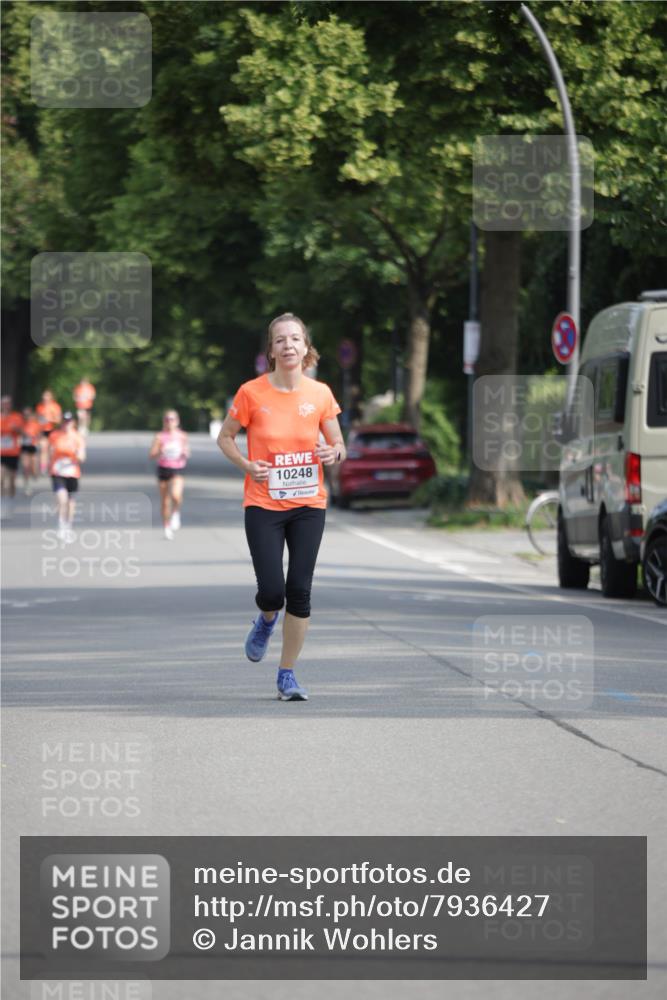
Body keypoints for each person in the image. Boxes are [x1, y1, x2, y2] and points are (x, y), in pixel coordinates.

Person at [218, 312, 346, 702]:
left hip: (309, 504)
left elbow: (339, 444)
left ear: (306, 348)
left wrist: (332, 452)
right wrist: (246, 465)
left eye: (295, 339)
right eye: (280, 340)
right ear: (271, 351)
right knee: (273, 591)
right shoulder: (251, 393)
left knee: (301, 591)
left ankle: (287, 674)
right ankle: (266, 618)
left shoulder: (320, 394)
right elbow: (225, 438)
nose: (288, 345)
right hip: (263, 504)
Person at [149, 410, 190, 540]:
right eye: (167, 419)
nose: (169, 422)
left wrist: (184, 452)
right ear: (164, 421)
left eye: (172, 419)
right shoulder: (159, 436)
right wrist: (160, 451)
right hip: (163, 468)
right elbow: (151, 455)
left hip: (178, 468)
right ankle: (166, 526)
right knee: (165, 501)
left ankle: (176, 513)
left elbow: (187, 452)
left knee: (176, 496)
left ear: (177, 421)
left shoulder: (182, 436)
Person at [48, 411, 86, 541]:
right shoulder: (54, 435)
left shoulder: (77, 437)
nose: (66, 424)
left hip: (72, 472)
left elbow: (82, 456)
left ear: (73, 423)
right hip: (58, 472)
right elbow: (49, 452)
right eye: (64, 421)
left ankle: (68, 525)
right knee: (62, 499)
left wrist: (77, 456)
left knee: (70, 501)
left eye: (69, 422)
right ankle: (61, 524)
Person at [1, 395, 24, 518]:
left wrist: (16, 429)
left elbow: (23, 432)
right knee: (0, 478)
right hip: (1, 453)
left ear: (10, 405)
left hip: (13, 453)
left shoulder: (16, 417)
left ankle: (10, 502)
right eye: (3, 403)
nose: (5, 405)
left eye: (7, 403)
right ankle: (2, 503)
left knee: (11, 481)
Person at [36, 389, 62, 475]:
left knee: (51, 449)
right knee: (43, 448)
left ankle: (52, 465)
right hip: (43, 431)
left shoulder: (56, 406)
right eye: (44, 396)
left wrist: (50, 419)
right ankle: (43, 467)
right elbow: (37, 419)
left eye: (47, 396)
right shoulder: (39, 407)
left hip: (53, 430)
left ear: (51, 397)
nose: (45, 397)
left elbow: (59, 420)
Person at [20, 406, 41, 496]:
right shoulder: (21, 424)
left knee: (34, 468)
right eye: (24, 415)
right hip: (24, 447)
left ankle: (35, 474)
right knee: (25, 467)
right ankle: (27, 485)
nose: (26, 416)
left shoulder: (35, 424)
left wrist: (36, 439)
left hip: (33, 446)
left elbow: (39, 435)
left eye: (28, 414)